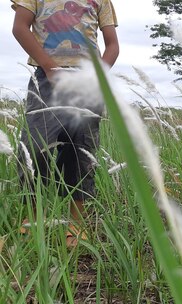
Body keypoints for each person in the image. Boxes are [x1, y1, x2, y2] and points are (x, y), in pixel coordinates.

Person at [12, 0, 119, 247]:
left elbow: (112, 44)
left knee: (80, 149)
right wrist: (50, 68)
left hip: (86, 80)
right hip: (47, 78)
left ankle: (76, 220)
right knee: (34, 145)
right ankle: (33, 216)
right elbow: (20, 28)